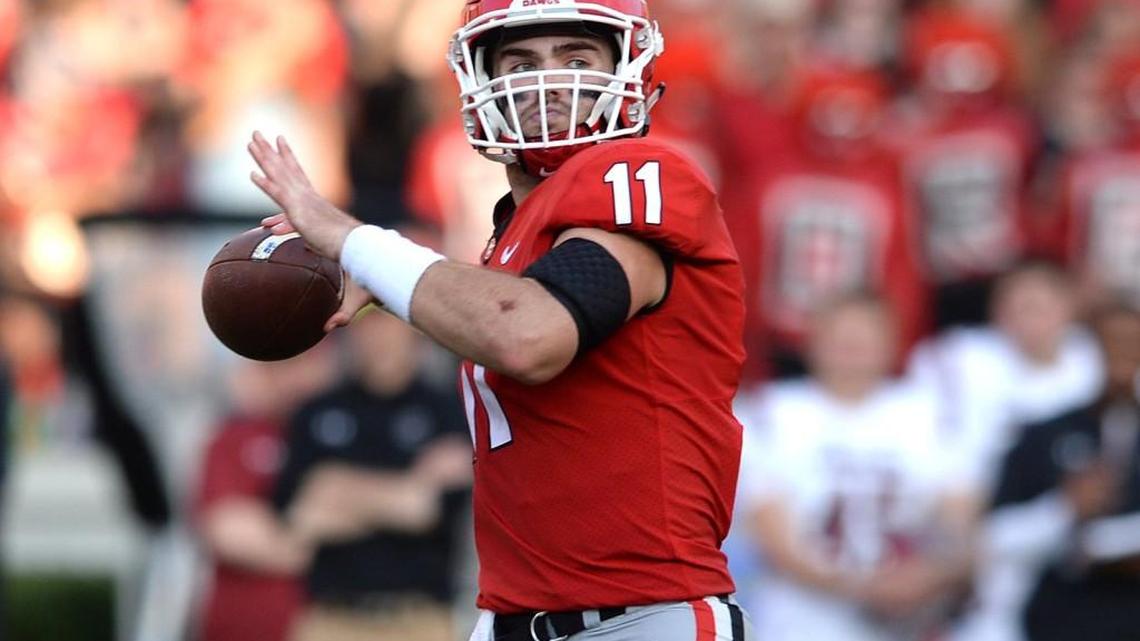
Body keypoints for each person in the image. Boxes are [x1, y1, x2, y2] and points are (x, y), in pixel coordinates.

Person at [245, 1, 751, 639]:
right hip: (522, 615)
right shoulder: (512, 238)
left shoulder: (640, 174)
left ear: (629, 67)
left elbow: (528, 335)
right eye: (521, 61)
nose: (549, 82)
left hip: (641, 616)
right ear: (480, 79)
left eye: (577, 58)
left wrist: (357, 243)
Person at [735, 293, 977, 641]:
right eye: (840, 340)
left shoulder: (927, 411)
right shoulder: (769, 413)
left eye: (863, 340)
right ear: (812, 344)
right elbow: (773, 535)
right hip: (802, 623)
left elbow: (960, 516)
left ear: (891, 344)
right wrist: (865, 588)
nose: (851, 352)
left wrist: (933, 573)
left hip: (913, 619)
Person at [273, 309, 471, 641]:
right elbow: (299, 518)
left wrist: (337, 489)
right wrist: (408, 488)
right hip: (333, 617)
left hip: (419, 619)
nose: (378, 337)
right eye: (367, 325)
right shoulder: (316, 411)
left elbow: (426, 510)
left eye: (388, 323)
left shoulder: (446, 410)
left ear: (412, 330)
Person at [970, 302, 1140, 641]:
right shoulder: (1043, 432)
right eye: (1111, 343)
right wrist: (1063, 509)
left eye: (1133, 344)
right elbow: (995, 536)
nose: (1123, 356)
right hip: (1060, 618)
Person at [192, 350, 335, 641]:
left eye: (307, 364)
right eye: (286, 365)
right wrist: (324, 538)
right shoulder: (233, 438)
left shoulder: (340, 439)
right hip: (240, 627)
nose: (296, 379)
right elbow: (227, 532)